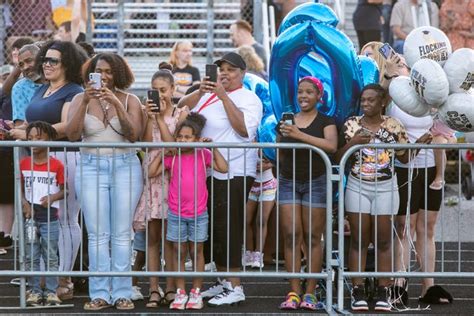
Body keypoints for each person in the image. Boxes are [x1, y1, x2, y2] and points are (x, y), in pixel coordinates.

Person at [178, 52, 263, 306]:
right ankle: (223, 282)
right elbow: (181, 111)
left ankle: (236, 286)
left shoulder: (250, 98)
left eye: (231, 70)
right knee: (214, 229)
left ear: (243, 74)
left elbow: (244, 130)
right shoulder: (206, 95)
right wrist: (199, 91)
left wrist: (224, 96)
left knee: (230, 227)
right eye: (221, 69)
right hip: (207, 171)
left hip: (235, 171)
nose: (225, 73)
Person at [8, 40, 87, 300]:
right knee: (44, 221)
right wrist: (21, 131)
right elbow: (30, 121)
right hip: (38, 160)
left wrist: (31, 134)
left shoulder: (73, 91)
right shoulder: (41, 90)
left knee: (64, 220)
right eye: (45, 60)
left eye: (53, 60)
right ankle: (45, 277)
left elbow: (66, 125)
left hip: (65, 157)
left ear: (68, 63)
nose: (47, 64)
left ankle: (62, 278)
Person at [66, 53, 144, 310]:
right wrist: (86, 101)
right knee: (98, 234)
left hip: (125, 166)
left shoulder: (130, 99)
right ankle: (99, 293)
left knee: (122, 234)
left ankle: (122, 292)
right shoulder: (80, 98)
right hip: (90, 167)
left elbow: (134, 135)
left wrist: (118, 105)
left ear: (119, 74)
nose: (105, 76)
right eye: (99, 71)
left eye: (109, 71)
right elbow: (73, 134)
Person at [335, 84, 422, 311]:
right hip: (357, 185)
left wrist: (421, 143)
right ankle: (358, 290)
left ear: (382, 102)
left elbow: (404, 157)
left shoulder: (393, 126)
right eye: (363, 100)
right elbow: (337, 156)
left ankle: (384, 290)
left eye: (371, 100)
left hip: (386, 187)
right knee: (358, 239)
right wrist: (353, 143)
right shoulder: (351, 124)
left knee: (384, 240)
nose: (365, 104)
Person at [148, 113, 228, 310]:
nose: (183, 140)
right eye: (180, 137)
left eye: (188, 137)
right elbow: (151, 172)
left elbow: (223, 168)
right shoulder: (173, 158)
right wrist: (162, 153)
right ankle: (181, 292)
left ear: (196, 138)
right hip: (176, 212)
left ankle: (196, 292)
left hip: (199, 212)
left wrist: (213, 148)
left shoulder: (202, 154)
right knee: (178, 252)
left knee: (197, 251)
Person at [277, 76, 337, 311]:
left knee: (313, 237)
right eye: (300, 92)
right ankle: (294, 291)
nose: (303, 96)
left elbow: (331, 146)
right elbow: (279, 147)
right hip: (288, 181)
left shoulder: (326, 120)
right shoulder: (286, 118)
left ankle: (310, 292)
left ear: (319, 96)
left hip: (316, 182)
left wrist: (298, 135)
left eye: (309, 92)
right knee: (292, 235)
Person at [133, 62, 188, 308]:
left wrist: (162, 119)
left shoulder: (181, 113)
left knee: (171, 240)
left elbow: (173, 145)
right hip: (152, 180)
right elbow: (145, 144)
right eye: (155, 89)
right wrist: (150, 118)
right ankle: (153, 288)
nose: (160, 94)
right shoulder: (148, 115)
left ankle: (170, 287)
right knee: (152, 238)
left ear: (173, 89)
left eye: (164, 89)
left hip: (173, 179)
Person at [21, 121, 64, 307]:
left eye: (38, 138)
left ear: (49, 140)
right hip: (31, 217)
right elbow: (20, 188)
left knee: (51, 254)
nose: (33, 142)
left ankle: (52, 291)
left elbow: (65, 190)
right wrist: (24, 204)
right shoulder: (23, 163)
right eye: (30, 138)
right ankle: (35, 291)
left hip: (50, 217)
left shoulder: (57, 165)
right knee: (31, 253)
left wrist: (53, 197)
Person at [242, 154, 276, 269]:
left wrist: (268, 164)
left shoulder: (267, 137)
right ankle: (248, 253)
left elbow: (279, 159)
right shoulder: (247, 141)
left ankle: (258, 254)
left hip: (268, 184)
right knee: (246, 220)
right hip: (250, 184)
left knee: (261, 220)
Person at [11, 44, 43, 126]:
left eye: (29, 61)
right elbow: (20, 124)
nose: (25, 67)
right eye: (21, 65)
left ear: (41, 59)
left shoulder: (55, 80)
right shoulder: (20, 87)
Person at [429, 118, 457, 190]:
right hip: (433, 133)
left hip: (447, 135)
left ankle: (439, 176)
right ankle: (439, 176)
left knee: (439, 145)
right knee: (439, 145)